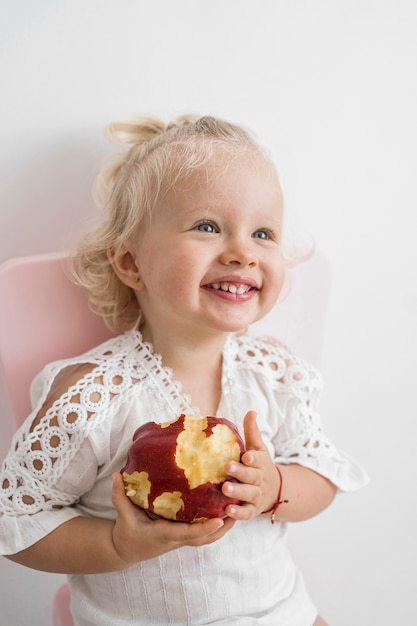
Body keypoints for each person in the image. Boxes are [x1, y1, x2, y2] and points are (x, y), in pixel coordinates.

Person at [0, 114, 368, 626]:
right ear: (131, 264)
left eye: (263, 233)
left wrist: (274, 487)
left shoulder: (276, 378)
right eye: (207, 227)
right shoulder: (94, 396)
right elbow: (18, 525)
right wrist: (117, 544)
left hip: (277, 613)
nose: (243, 252)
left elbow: (323, 474)